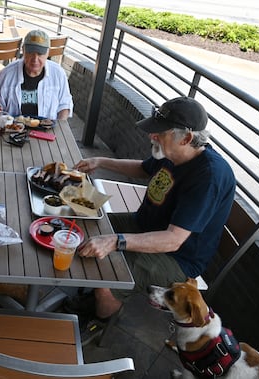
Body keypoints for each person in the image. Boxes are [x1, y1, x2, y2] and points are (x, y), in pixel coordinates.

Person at [65, 97, 236, 345]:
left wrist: (115, 241)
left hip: (178, 258)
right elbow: (144, 169)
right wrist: (100, 161)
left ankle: (100, 320)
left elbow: (173, 240)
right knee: (89, 223)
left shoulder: (208, 176)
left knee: (107, 271)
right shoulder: (174, 151)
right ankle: (94, 295)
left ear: (186, 138)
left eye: (159, 133)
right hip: (145, 226)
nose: (152, 137)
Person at [0, 29, 73, 121]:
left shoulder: (58, 73)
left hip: (47, 131)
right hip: (13, 130)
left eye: (40, 54)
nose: (35, 59)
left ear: (48, 53)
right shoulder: (7, 73)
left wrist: (59, 126)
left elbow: (65, 104)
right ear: (23, 50)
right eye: (31, 53)